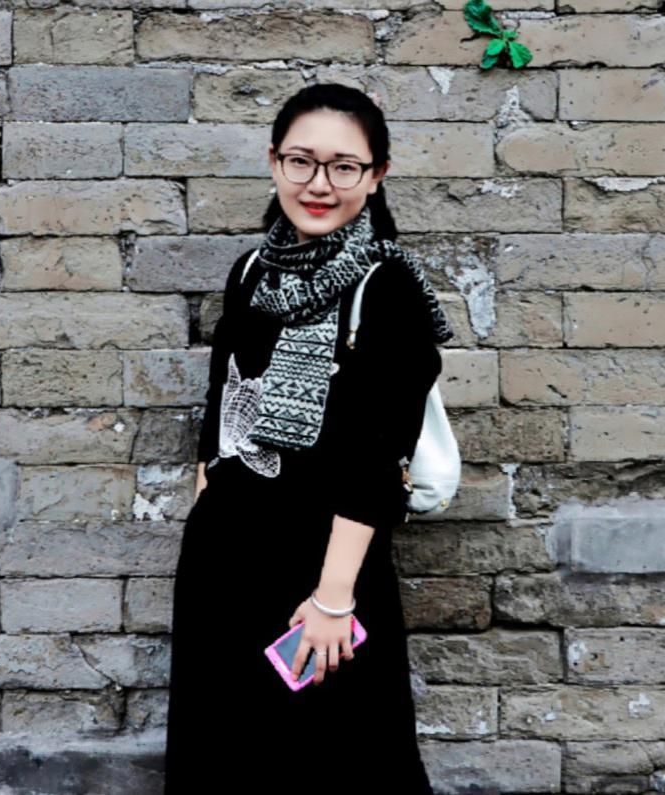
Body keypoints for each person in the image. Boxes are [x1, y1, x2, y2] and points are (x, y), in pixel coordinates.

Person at [164, 83, 454, 794]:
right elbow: (222, 401)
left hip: (323, 571)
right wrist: (208, 500)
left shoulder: (388, 288)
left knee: (339, 761)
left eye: (343, 166)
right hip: (225, 563)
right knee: (223, 760)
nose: (318, 184)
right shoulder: (250, 271)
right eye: (301, 161)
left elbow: (376, 457)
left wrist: (332, 598)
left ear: (376, 175)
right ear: (274, 162)